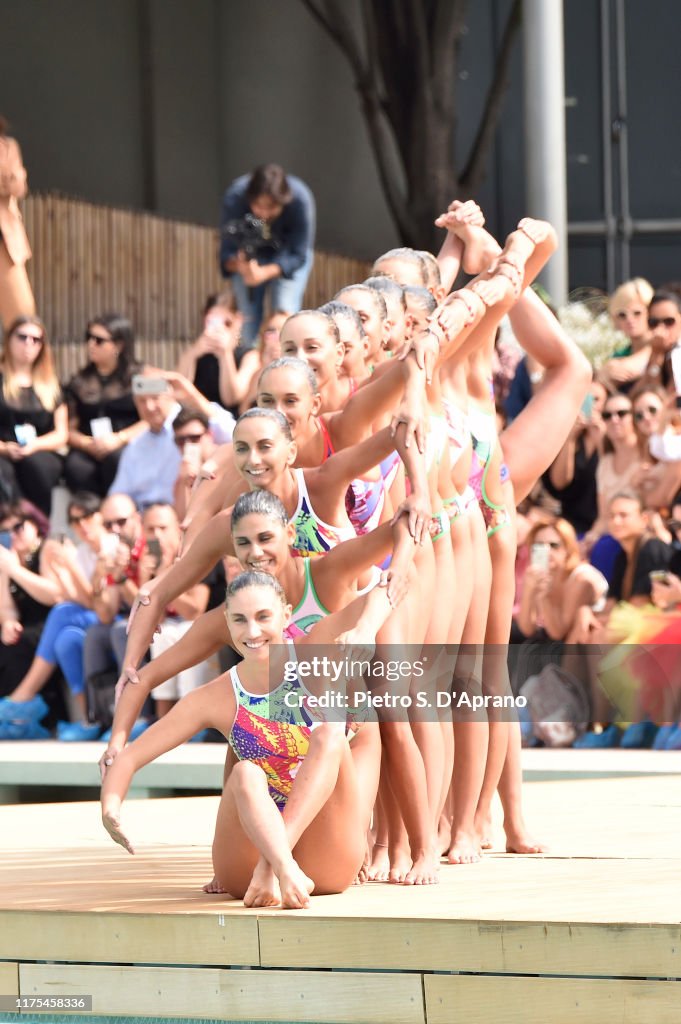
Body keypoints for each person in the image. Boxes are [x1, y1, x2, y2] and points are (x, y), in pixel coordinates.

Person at [101, 570, 382, 907]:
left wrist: (366, 628)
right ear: (228, 624)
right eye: (240, 620)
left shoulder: (316, 656)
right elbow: (130, 757)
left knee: (330, 737)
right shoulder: (215, 697)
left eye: (263, 617)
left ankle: (276, 865)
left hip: (324, 863)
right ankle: (280, 864)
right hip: (243, 873)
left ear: (286, 615)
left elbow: (390, 586)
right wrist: (110, 806)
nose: (252, 631)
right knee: (246, 772)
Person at [0, 493, 107, 740]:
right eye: (6, 531)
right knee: (57, 640)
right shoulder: (12, 558)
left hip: (53, 620)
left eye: (19, 527)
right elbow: (7, 606)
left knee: (47, 626)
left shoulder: (49, 547)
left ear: (35, 524)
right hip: (53, 627)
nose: (14, 535)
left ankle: (20, 701)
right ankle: (84, 722)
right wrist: (7, 621)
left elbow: (55, 596)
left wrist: (14, 570)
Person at [219, 164, 315, 345]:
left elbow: (299, 253)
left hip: (287, 257)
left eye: (270, 207)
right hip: (248, 259)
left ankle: (285, 363)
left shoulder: (300, 199)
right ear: (249, 198)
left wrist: (264, 273)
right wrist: (241, 266)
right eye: (257, 206)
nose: (263, 212)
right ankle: (250, 360)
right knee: (247, 323)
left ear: (284, 201)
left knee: (284, 316)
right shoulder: (235, 197)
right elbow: (226, 252)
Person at [63, 314, 146, 497]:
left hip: (128, 444)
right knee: (76, 466)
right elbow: (67, 429)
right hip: (89, 446)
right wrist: (87, 443)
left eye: (99, 340)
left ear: (119, 345)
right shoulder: (79, 381)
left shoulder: (142, 376)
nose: (91, 344)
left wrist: (120, 438)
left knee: (117, 459)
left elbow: (158, 416)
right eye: (89, 338)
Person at [0, 315, 67, 514]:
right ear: (9, 339)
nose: (29, 344)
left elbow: (61, 434)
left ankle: (39, 528)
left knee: (37, 466)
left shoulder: (51, 385)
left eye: (36, 339)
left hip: (40, 450)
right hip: (4, 450)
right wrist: (4, 448)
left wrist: (34, 446)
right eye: (22, 337)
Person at [516, 517, 607, 642]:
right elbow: (527, 629)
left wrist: (543, 596)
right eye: (539, 546)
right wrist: (528, 590)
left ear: (568, 548)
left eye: (554, 545)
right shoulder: (543, 574)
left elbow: (558, 633)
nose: (547, 551)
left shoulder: (581, 578)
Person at [175, 292, 244, 412]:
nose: (219, 329)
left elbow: (231, 399)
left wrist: (225, 354)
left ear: (238, 320)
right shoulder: (195, 355)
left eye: (227, 323)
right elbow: (179, 392)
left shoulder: (248, 356)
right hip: (197, 420)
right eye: (212, 322)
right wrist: (193, 353)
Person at [0, 116, 35, 328]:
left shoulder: (8, 146)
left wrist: (8, 178)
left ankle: (28, 361)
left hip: (4, 239)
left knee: (23, 317)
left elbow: (18, 187)